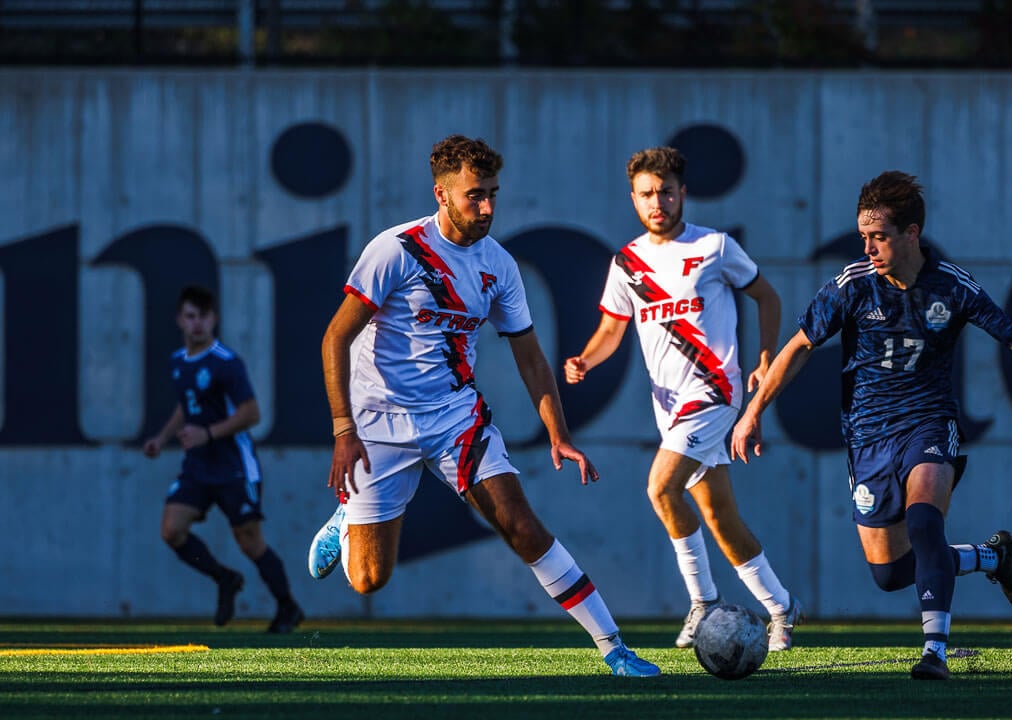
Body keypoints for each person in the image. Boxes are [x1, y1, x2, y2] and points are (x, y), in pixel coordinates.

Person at [304, 134, 660, 678]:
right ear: (441, 195)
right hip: (378, 424)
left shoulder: (499, 265)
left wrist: (558, 434)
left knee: (522, 525)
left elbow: (532, 359)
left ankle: (613, 647)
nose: (489, 206)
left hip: (454, 419)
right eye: (476, 195)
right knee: (368, 580)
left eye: (493, 193)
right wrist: (342, 430)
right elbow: (335, 339)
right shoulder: (396, 250)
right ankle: (349, 516)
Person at [731, 171, 1012, 680]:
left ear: (912, 233)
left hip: (929, 423)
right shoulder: (853, 286)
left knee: (923, 522)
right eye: (863, 236)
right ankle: (990, 556)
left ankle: (934, 650)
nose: (868, 247)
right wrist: (753, 411)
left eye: (880, 236)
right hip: (867, 437)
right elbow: (799, 346)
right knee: (889, 573)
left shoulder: (951, 286)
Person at [564, 146, 801, 652]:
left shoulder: (714, 247)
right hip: (669, 409)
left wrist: (763, 359)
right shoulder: (627, 262)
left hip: (714, 393)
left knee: (659, 488)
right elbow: (611, 328)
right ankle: (782, 608)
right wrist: (585, 359)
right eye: (647, 194)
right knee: (720, 518)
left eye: (666, 192)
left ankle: (703, 601)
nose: (658, 202)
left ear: (682, 194)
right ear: (633, 198)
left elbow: (768, 297)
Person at [143, 285, 304, 633]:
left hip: (233, 465)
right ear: (179, 320)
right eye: (190, 316)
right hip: (198, 467)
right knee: (171, 530)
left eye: (203, 316)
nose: (197, 323)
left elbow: (251, 414)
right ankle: (224, 579)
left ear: (213, 319)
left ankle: (288, 607)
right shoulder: (177, 362)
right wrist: (162, 437)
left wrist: (209, 433)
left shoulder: (226, 364)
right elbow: (186, 407)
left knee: (249, 542)